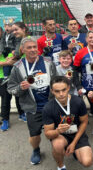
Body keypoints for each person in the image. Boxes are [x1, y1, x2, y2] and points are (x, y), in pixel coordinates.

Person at [7, 37, 57, 165]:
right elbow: (10, 89)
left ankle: (60, 149)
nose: (33, 50)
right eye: (29, 48)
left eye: (35, 47)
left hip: (51, 104)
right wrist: (20, 88)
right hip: (33, 108)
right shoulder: (17, 67)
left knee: (56, 132)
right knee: (34, 135)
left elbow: (56, 80)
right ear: (22, 50)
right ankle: (36, 150)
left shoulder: (48, 62)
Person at [43, 76, 93, 170]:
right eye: (57, 91)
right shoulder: (48, 108)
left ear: (69, 88)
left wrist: (73, 143)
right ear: (52, 91)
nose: (61, 94)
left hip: (77, 133)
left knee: (87, 162)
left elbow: (84, 122)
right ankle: (61, 166)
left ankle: (74, 149)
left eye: (64, 90)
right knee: (57, 145)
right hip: (61, 136)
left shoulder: (78, 102)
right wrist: (58, 131)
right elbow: (47, 134)